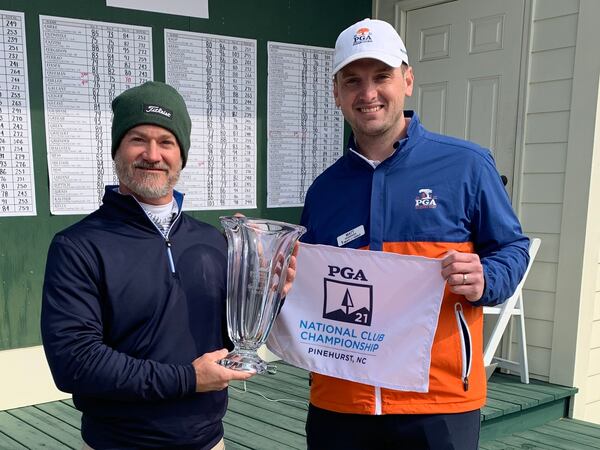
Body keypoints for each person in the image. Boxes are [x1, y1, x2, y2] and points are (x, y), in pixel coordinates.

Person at [299, 19, 530, 449]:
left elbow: (512, 248)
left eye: (381, 76)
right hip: (341, 402)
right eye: (353, 81)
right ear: (336, 94)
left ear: (407, 79)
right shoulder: (323, 190)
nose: (367, 94)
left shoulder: (467, 166)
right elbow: (305, 282)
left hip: (438, 402)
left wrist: (486, 278)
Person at [41, 81, 297, 450]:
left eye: (166, 142)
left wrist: (267, 296)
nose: (152, 154)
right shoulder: (78, 246)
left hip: (209, 443)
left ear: (182, 155)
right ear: (117, 150)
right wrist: (187, 379)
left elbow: (230, 342)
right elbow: (75, 363)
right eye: (137, 139)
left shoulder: (214, 243)